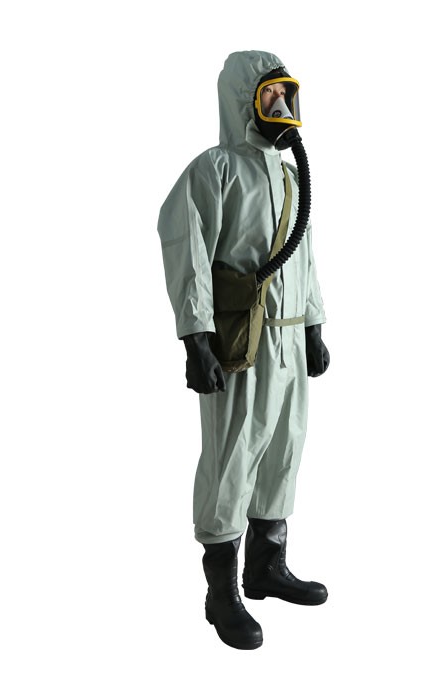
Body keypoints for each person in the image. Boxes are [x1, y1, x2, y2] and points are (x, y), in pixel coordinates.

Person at [157, 50, 330, 650]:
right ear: (243, 101)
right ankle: (221, 592)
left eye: (286, 94)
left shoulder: (290, 178)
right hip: (241, 343)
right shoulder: (215, 170)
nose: (281, 106)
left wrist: (313, 325)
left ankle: (265, 567)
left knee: (284, 448)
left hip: (288, 336)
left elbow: (306, 258)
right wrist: (195, 336)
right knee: (232, 456)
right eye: (268, 95)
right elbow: (186, 246)